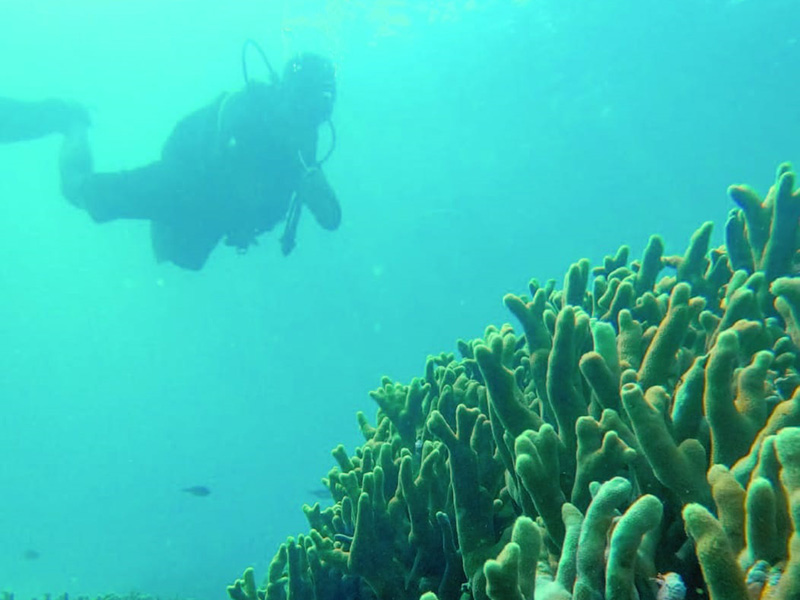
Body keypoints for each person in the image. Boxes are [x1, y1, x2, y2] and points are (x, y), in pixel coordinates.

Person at [1, 50, 341, 270]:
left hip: (209, 217)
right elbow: (219, 169)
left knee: (183, 259)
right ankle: (68, 122)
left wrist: (316, 192)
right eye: (303, 100)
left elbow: (331, 218)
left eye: (321, 106)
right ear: (284, 91)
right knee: (77, 191)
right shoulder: (246, 113)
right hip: (183, 184)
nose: (308, 115)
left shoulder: (305, 144)